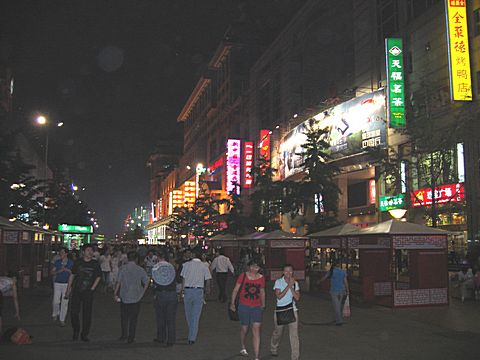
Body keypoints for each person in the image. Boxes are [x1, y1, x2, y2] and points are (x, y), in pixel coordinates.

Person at [230, 259, 266, 360]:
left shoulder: (261, 278)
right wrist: (232, 303)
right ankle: (242, 346)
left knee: (256, 330)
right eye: (253, 266)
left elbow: (262, 291)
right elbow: (236, 289)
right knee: (244, 328)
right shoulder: (243, 276)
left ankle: (256, 356)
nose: (254, 269)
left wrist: (263, 304)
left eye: (257, 267)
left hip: (256, 307)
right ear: (249, 266)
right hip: (244, 306)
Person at [65, 244, 102, 341]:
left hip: (88, 292)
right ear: (83, 252)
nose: (90, 252)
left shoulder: (95, 263)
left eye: (91, 250)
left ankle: (84, 334)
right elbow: (72, 275)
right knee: (74, 312)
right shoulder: (78, 262)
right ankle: (76, 331)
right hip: (77, 290)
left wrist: (92, 288)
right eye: (88, 250)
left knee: (87, 314)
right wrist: (68, 289)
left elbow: (98, 276)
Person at [114, 251, 149, 343]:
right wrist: (142, 292)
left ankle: (124, 334)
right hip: (136, 296)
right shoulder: (140, 269)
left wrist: (115, 293)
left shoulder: (122, 268)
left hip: (124, 295)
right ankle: (131, 336)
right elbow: (147, 281)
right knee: (133, 318)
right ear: (137, 259)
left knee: (124, 317)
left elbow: (118, 282)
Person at [180, 251, 212, 344]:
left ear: (193, 255)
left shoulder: (186, 265)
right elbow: (208, 279)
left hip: (187, 290)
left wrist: (182, 291)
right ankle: (192, 336)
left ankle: (191, 333)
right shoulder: (204, 266)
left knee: (188, 313)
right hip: (198, 291)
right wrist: (208, 289)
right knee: (196, 314)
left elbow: (183, 279)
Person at [270, 264, 300, 359]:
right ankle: (274, 347)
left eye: (290, 271)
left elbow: (297, 297)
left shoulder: (295, 283)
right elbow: (279, 296)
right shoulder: (278, 282)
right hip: (280, 310)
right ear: (283, 272)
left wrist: (292, 286)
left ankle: (295, 356)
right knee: (277, 333)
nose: (288, 273)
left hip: (292, 310)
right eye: (286, 271)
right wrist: (288, 286)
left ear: (292, 272)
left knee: (294, 335)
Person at [152, 250, 178, 347]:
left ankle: (161, 337)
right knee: (171, 318)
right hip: (172, 294)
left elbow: (154, 282)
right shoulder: (173, 267)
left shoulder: (156, 268)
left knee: (160, 317)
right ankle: (171, 339)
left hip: (161, 294)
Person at [321, 261, 349, 325]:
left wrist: (319, 281)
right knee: (339, 305)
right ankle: (338, 319)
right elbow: (345, 281)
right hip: (341, 290)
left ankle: (339, 320)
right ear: (339, 265)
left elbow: (324, 277)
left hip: (334, 290)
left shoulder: (331, 271)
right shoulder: (343, 271)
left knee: (336, 306)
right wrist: (347, 290)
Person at [51, 248, 74, 326]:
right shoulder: (57, 262)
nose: (61, 254)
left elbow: (73, 273)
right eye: (60, 252)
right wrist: (58, 271)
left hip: (67, 284)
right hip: (57, 283)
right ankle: (55, 313)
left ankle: (62, 319)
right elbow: (52, 272)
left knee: (65, 302)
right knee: (56, 301)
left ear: (66, 254)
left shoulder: (71, 263)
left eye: (63, 252)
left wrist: (66, 270)